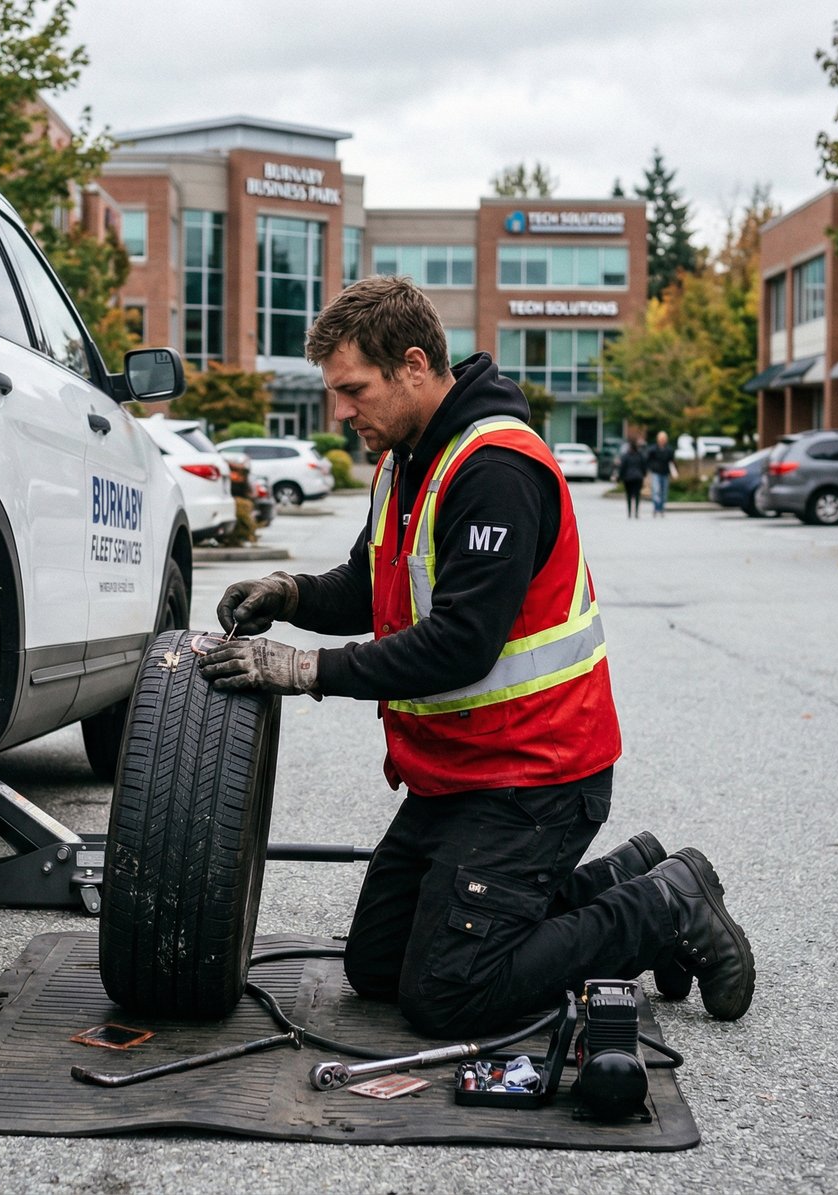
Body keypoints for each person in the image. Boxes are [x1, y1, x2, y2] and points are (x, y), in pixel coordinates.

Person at [196, 277, 753, 1038]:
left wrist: (302, 671)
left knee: (447, 992)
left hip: (538, 775)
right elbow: (372, 582)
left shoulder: (495, 470)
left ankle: (666, 903)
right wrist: (289, 592)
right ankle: (627, 872)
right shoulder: (404, 458)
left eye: (353, 390)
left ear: (415, 365)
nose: (342, 411)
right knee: (379, 967)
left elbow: (462, 643)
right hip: (460, 772)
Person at [646, 430, 677, 517]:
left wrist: (675, 472)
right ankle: (656, 507)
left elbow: (672, 462)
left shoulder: (669, 450)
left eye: (664, 439)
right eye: (661, 439)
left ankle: (661, 508)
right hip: (656, 472)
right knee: (656, 491)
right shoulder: (653, 449)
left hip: (665, 472)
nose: (662, 440)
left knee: (664, 492)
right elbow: (648, 460)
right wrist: (649, 469)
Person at [617, 437, 646, 518]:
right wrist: (643, 474)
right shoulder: (640, 455)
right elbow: (644, 465)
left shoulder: (626, 456)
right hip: (638, 477)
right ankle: (636, 512)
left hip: (628, 478)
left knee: (629, 495)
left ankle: (629, 512)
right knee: (637, 495)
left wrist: (620, 477)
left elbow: (622, 467)